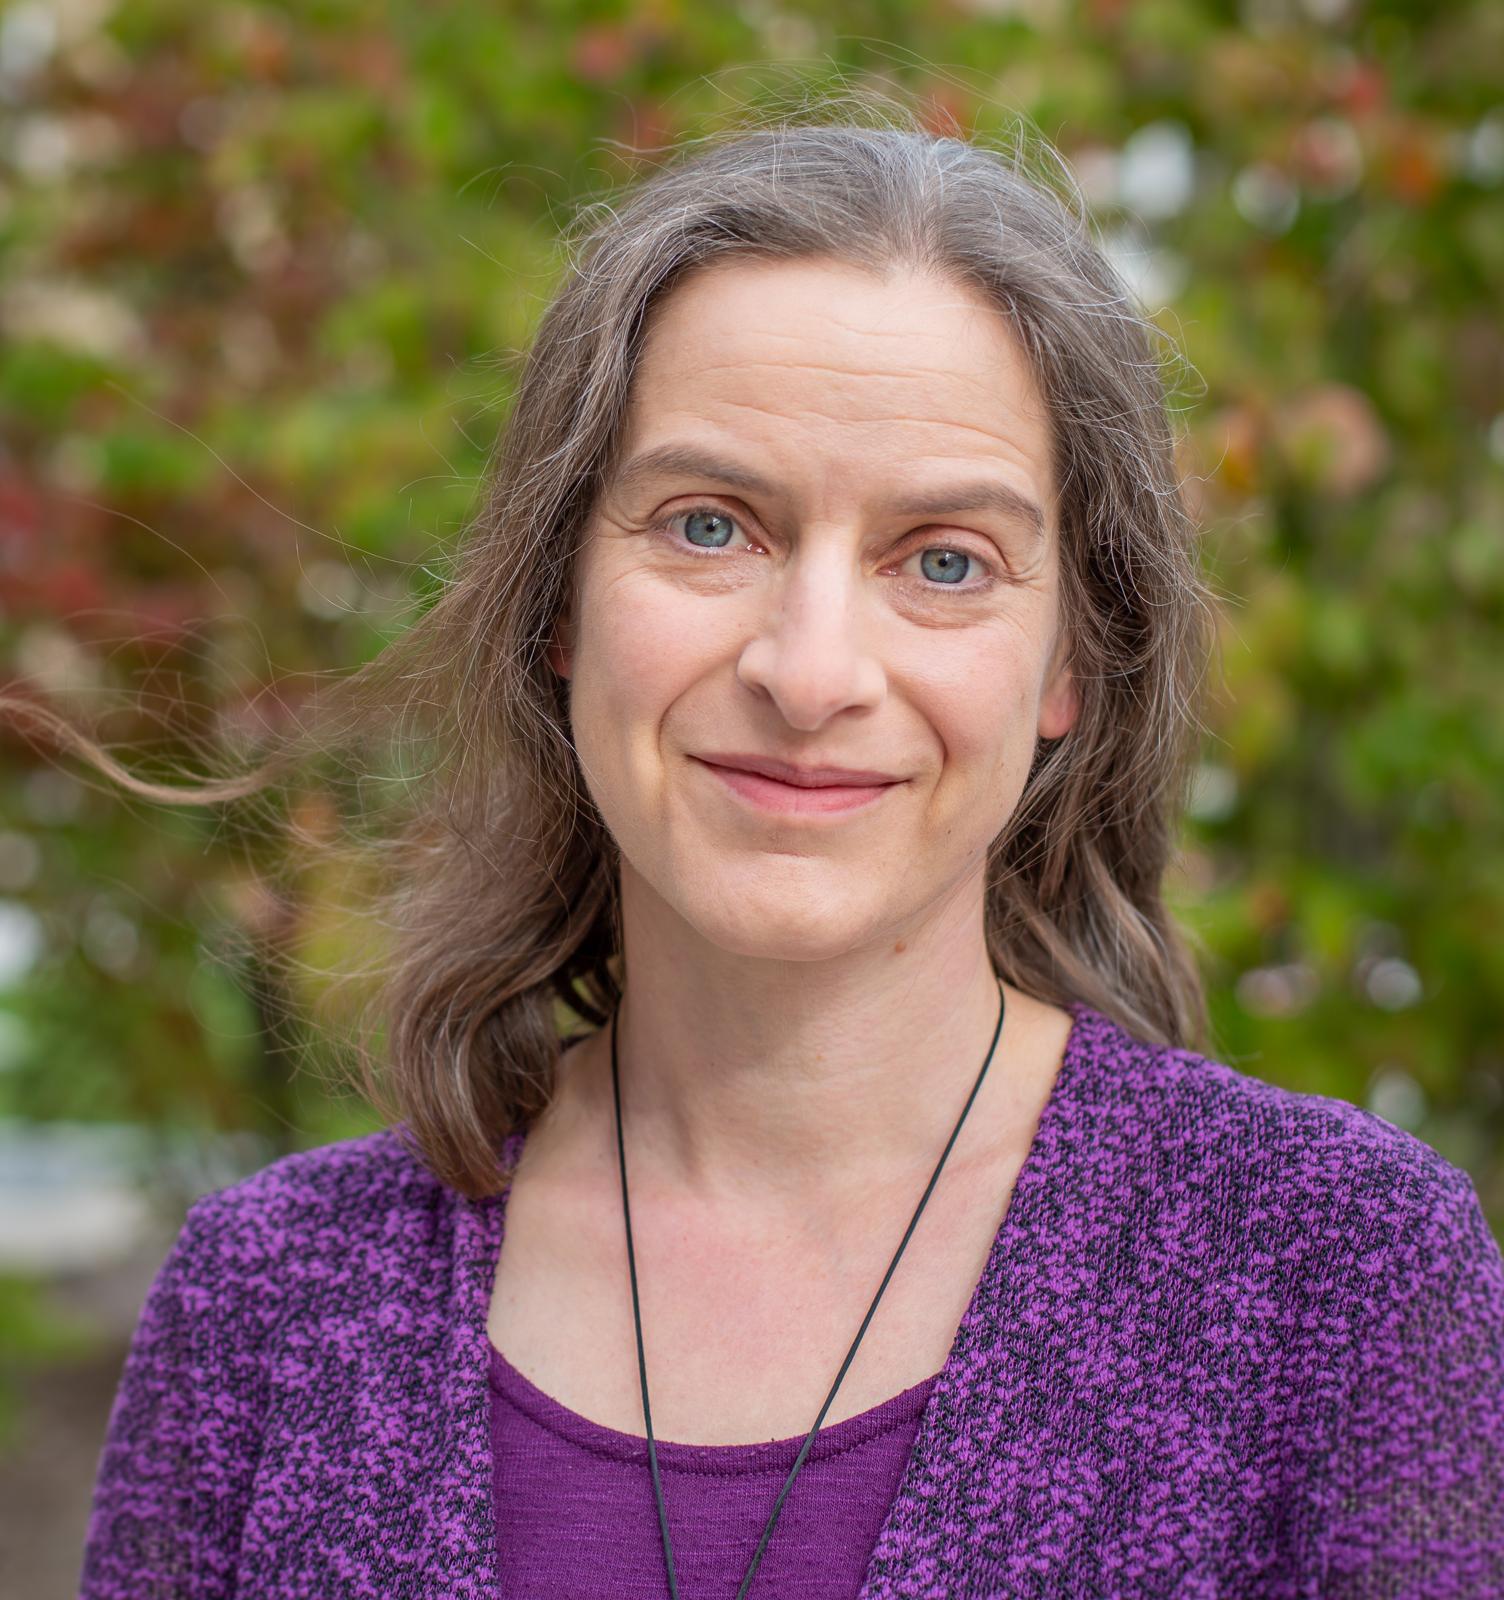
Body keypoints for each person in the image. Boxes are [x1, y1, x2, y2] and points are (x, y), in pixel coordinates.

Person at [68, 114, 1504, 1599]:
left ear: (1073, 660)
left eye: (944, 560)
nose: (811, 672)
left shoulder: (1340, 1279)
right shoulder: (272, 1307)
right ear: (557, 607)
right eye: (710, 526)